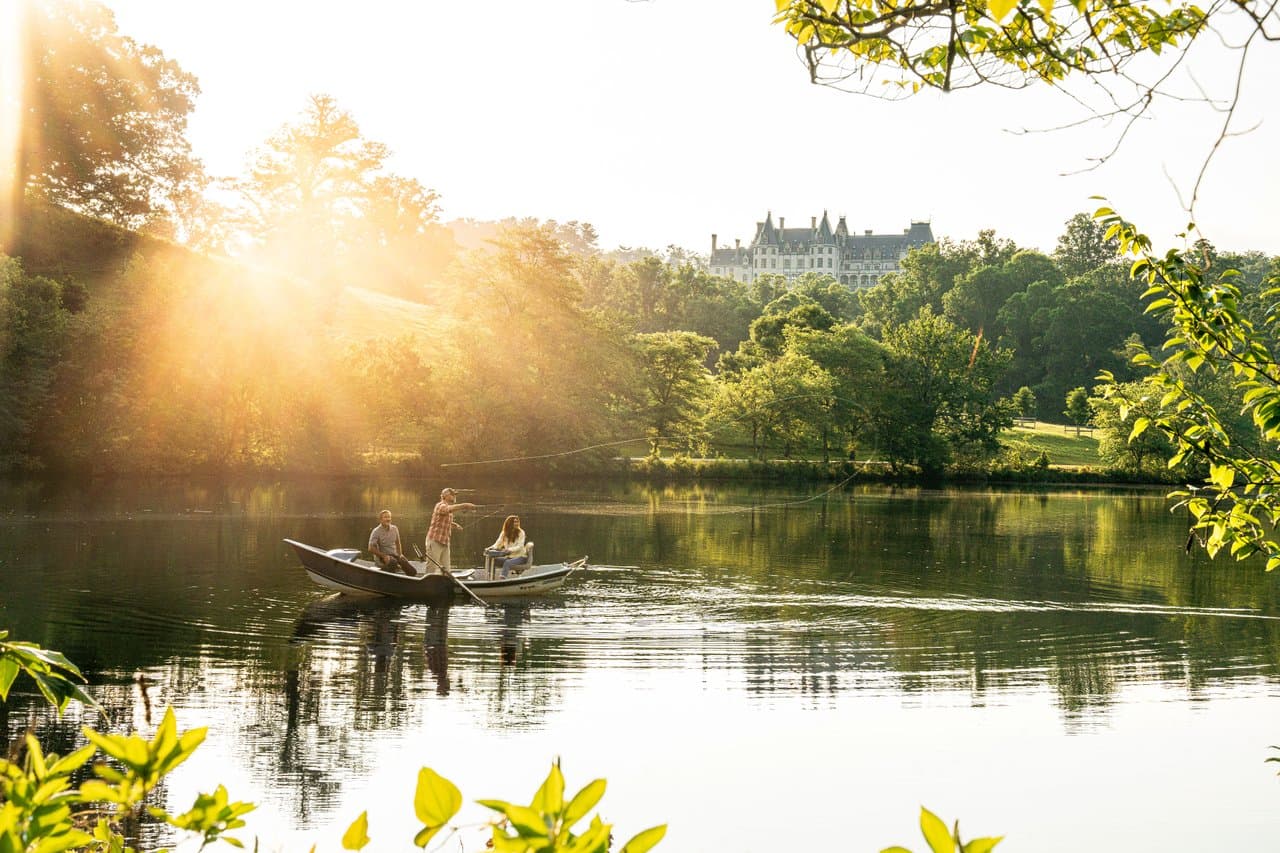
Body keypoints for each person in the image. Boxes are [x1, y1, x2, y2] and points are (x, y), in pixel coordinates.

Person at [425, 487, 477, 573]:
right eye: (452, 495)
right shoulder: (440, 505)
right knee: (431, 568)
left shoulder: (448, 508)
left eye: (454, 495)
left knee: (446, 570)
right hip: (435, 541)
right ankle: (427, 585)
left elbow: (443, 521)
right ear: (445, 496)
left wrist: (455, 525)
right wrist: (465, 505)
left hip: (445, 542)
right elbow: (447, 510)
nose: (454, 496)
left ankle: (443, 585)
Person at [368, 509, 417, 576]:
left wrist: (400, 555)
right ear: (380, 519)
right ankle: (383, 574)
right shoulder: (376, 531)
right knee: (393, 562)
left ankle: (407, 579)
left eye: (389, 517)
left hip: (394, 555)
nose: (388, 519)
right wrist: (384, 556)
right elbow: (370, 548)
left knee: (412, 571)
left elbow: (398, 543)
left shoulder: (394, 529)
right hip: (382, 557)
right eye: (385, 517)